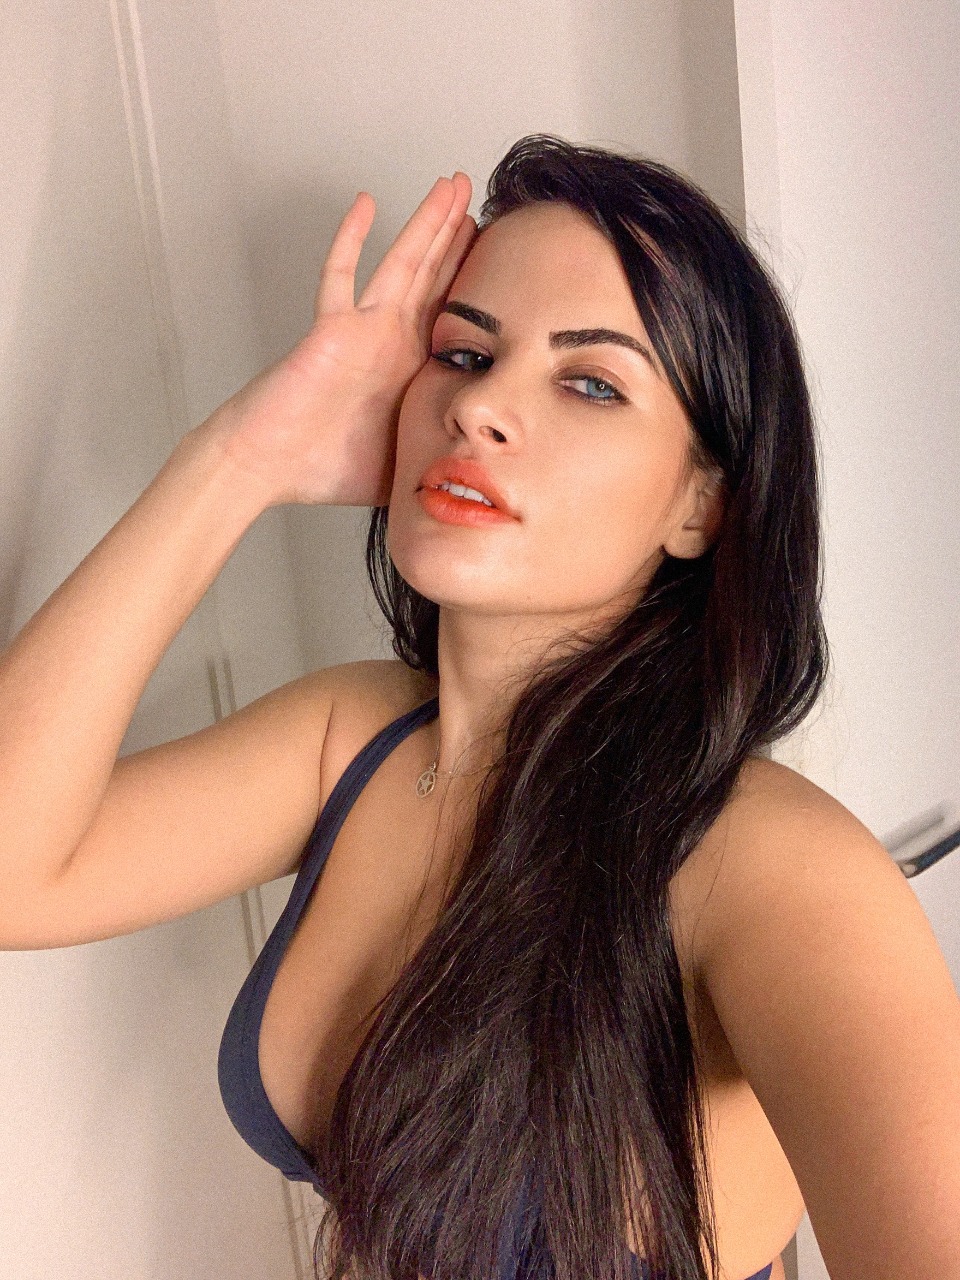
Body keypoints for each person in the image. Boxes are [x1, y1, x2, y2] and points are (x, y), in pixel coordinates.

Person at [1, 134, 958, 1280]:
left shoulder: (770, 869)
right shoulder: (350, 736)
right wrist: (242, 459)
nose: (481, 407)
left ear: (701, 505)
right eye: (462, 353)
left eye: (591, 381)